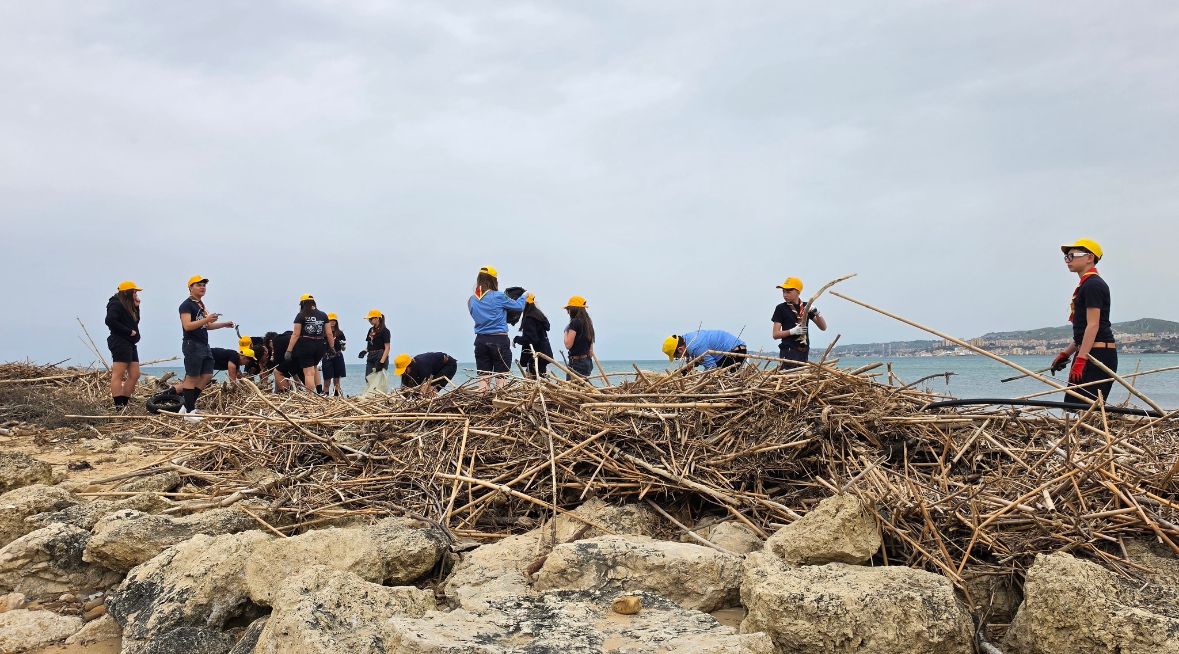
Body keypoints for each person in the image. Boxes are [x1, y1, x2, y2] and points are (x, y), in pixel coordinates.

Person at [1049, 239, 1116, 405]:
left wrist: (1081, 360)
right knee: (1072, 406)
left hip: (1097, 356)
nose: (1068, 260)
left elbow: (1093, 326)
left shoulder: (1093, 285)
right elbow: (1083, 330)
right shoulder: (1086, 285)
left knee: (1085, 409)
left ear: (1089, 257)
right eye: (1066, 257)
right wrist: (1066, 353)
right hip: (1088, 353)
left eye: (1072, 255)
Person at [178, 275, 235, 420]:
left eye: (204, 285)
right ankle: (190, 412)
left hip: (204, 345)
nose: (202, 287)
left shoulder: (201, 305)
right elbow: (187, 326)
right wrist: (207, 319)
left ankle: (186, 406)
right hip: (192, 344)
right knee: (192, 377)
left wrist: (223, 324)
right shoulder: (186, 305)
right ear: (190, 287)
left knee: (207, 375)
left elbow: (206, 326)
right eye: (198, 285)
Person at [468, 266, 527, 390]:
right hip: (498, 340)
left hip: (480, 341)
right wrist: (524, 296)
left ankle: (482, 406)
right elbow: (519, 306)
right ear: (493, 281)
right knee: (501, 379)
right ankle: (499, 405)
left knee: (483, 380)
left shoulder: (471, 300)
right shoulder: (498, 296)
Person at [771, 277, 828, 368]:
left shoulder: (806, 307)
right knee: (788, 377)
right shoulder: (780, 308)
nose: (785, 295)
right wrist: (792, 331)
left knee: (801, 378)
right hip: (788, 351)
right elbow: (775, 334)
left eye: (788, 292)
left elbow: (823, 327)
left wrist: (817, 313)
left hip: (803, 350)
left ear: (798, 292)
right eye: (783, 292)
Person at [283, 294, 335, 393]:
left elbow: (295, 334)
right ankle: (320, 392)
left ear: (302, 303)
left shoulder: (301, 315)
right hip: (320, 345)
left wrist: (289, 350)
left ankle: (310, 396)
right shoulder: (323, 315)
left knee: (308, 373)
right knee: (314, 368)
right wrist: (332, 347)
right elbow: (329, 333)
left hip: (306, 345)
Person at [105, 280, 142, 410]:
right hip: (119, 341)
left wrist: (136, 307)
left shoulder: (128, 305)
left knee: (135, 374)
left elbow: (135, 322)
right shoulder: (115, 303)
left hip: (130, 343)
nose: (136, 294)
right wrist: (128, 331)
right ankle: (119, 407)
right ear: (127, 293)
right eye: (134, 292)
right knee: (118, 374)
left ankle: (123, 405)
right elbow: (109, 320)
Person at [661, 329, 747, 370]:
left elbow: (712, 368)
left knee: (717, 379)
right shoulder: (688, 338)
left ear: (680, 349)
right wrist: (692, 364)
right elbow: (702, 356)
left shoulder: (694, 346)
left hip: (735, 353)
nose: (680, 358)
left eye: (677, 357)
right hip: (731, 351)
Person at [513, 294, 553, 378]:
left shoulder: (529, 318)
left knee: (534, 378)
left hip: (535, 356)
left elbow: (531, 339)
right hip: (543, 353)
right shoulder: (539, 315)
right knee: (541, 377)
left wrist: (516, 339)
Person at [562, 296, 596, 380]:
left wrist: (566, 331)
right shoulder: (588, 323)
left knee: (572, 390)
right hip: (587, 362)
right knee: (583, 390)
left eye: (569, 309)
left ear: (574, 309)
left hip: (577, 363)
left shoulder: (575, 323)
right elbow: (591, 351)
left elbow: (568, 345)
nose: (568, 312)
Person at [359, 309, 391, 395]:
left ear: (377, 318)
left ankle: (379, 396)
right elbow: (370, 344)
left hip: (380, 355)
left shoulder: (385, 331)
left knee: (379, 378)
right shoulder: (371, 330)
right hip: (371, 355)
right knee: (368, 377)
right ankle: (370, 395)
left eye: (371, 318)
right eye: (369, 319)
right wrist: (364, 351)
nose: (369, 320)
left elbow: (387, 348)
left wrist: (382, 361)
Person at [320, 313, 347, 397]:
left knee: (337, 377)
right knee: (327, 378)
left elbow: (344, 348)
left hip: (338, 356)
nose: (332, 322)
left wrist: (342, 345)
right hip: (327, 356)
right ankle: (326, 394)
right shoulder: (323, 333)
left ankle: (336, 394)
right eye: (330, 320)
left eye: (334, 320)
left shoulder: (340, 333)